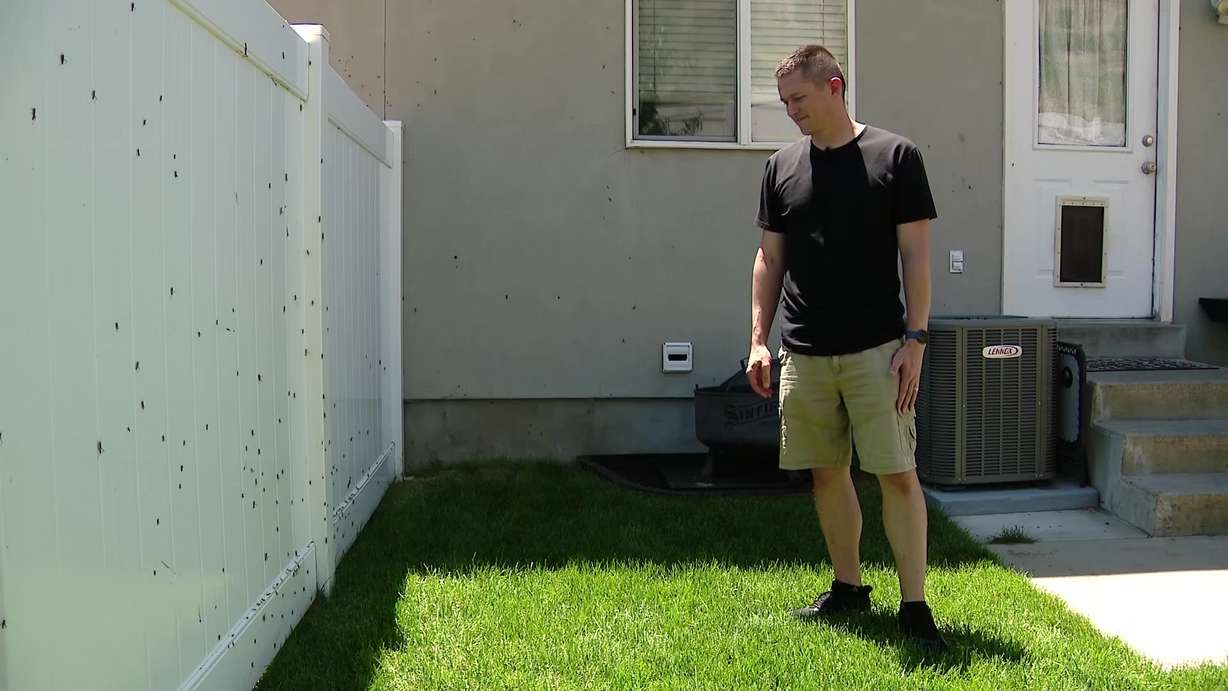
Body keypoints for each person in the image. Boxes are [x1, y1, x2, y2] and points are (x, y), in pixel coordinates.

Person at [746, 45, 945, 648]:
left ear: (834, 86)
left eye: (798, 100)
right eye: (784, 104)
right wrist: (759, 339)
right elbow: (769, 258)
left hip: (878, 350)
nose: (791, 113)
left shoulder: (895, 157)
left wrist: (916, 338)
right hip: (804, 350)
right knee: (826, 474)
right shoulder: (782, 166)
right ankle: (850, 588)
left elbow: (915, 254)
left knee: (898, 476)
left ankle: (914, 607)